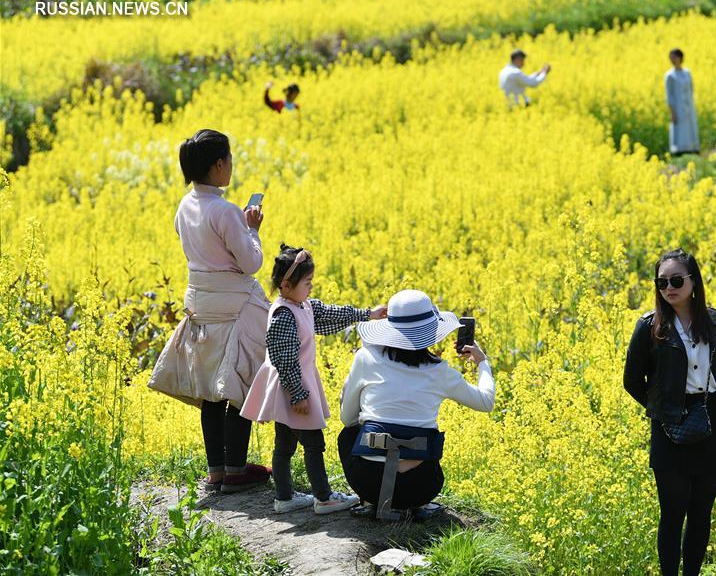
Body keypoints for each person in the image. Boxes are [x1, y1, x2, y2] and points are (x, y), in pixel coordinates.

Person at [149, 129, 271, 494]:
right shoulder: (226, 211)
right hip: (235, 308)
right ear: (218, 165)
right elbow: (251, 263)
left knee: (211, 391)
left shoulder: (184, 206)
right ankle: (236, 470)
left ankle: (216, 471)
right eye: (229, 159)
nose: (231, 165)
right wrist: (252, 230)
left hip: (201, 306)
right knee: (240, 384)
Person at [240, 245, 387, 514]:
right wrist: (298, 394)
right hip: (291, 386)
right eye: (307, 282)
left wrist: (367, 314)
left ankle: (284, 498)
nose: (311, 287)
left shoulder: (302, 305)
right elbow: (284, 358)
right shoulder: (284, 315)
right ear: (286, 285)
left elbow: (330, 314)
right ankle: (324, 497)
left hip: (291, 385)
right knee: (313, 443)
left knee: (285, 444)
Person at [623, 249, 716, 576]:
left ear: (693, 281)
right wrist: (663, 408)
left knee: (701, 513)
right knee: (673, 515)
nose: (669, 288)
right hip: (669, 425)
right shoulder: (649, 326)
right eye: (662, 282)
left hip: (712, 418)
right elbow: (632, 380)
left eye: (676, 280)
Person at [337, 290, 495, 519]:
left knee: (348, 434)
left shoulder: (365, 358)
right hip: (421, 487)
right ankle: (419, 506)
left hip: (368, 482)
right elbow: (485, 402)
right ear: (432, 331)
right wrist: (482, 362)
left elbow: (347, 419)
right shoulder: (440, 372)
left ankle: (372, 502)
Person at [664, 48, 700, 155]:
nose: (672, 60)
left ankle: (693, 149)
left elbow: (691, 89)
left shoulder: (687, 73)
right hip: (677, 107)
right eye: (671, 58)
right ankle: (679, 152)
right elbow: (669, 95)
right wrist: (672, 112)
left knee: (690, 127)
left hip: (689, 106)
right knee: (680, 129)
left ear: (680, 58)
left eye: (674, 57)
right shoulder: (669, 76)